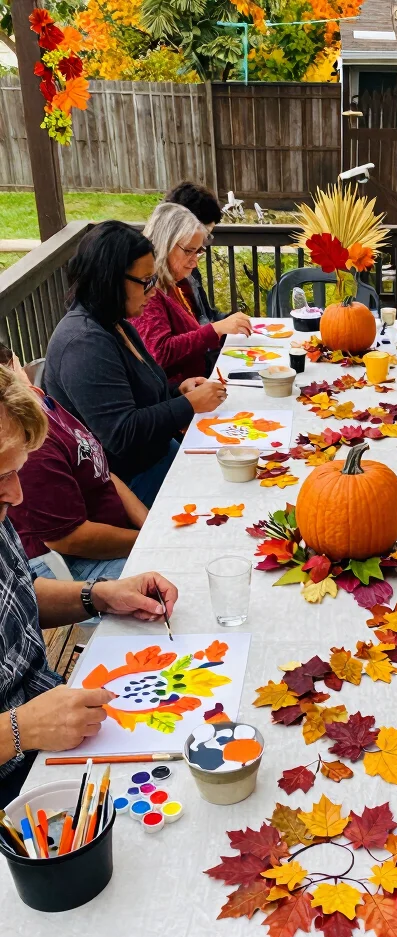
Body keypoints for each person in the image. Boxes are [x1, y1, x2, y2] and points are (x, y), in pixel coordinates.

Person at [0, 371, 178, 804]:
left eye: (15, 471)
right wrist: (20, 729)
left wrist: (97, 595)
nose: (18, 495)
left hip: (55, 722)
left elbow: (16, 597)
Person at [44, 221, 228, 508]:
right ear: (111, 280)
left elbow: (139, 395)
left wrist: (178, 391)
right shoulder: (83, 344)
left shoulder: (117, 324)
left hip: (158, 457)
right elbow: (122, 434)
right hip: (131, 485)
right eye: (146, 281)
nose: (153, 291)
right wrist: (189, 404)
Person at [0, 354, 145, 582]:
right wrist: (147, 543)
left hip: (115, 536)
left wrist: (149, 526)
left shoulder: (39, 403)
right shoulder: (25, 442)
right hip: (78, 563)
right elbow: (69, 539)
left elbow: (103, 473)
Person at [133, 203, 251, 385]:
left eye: (198, 252)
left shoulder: (173, 282)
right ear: (164, 243)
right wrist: (216, 329)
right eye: (189, 251)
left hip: (198, 386)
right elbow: (160, 353)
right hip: (179, 397)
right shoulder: (149, 292)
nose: (195, 262)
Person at [164, 180, 228, 324]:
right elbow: (166, 345)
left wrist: (230, 321)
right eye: (204, 234)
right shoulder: (152, 284)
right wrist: (218, 329)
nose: (198, 254)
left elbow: (206, 316)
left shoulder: (189, 266)